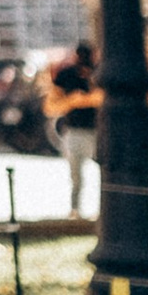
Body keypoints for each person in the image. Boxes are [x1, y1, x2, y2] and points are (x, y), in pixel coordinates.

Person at [47, 42, 104, 220]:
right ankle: (75, 210)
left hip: (97, 131)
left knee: (103, 173)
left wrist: (80, 100)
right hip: (75, 131)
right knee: (76, 176)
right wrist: (73, 101)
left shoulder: (101, 72)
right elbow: (50, 106)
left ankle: (102, 210)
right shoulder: (67, 75)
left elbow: (103, 98)